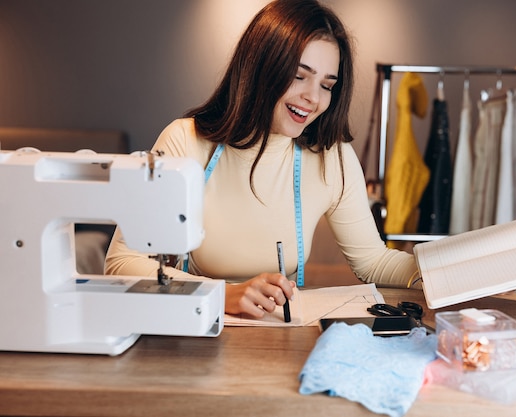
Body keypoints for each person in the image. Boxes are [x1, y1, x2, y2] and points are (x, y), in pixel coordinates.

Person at [105, 0, 419, 318]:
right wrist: (221, 296)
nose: (314, 98)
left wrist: (450, 269)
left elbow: (374, 262)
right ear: (260, 69)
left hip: (276, 340)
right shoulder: (186, 142)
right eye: (299, 76)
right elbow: (121, 263)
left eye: (326, 85)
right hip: (197, 335)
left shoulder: (331, 157)